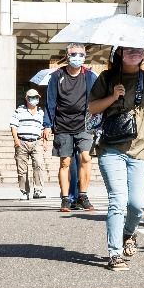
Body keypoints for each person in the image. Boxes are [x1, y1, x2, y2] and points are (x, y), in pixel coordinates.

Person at [89, 46, 144, 271]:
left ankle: (128, 232)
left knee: (136, 204)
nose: (134, 53)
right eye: (129, 49)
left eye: (139, 50)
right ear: (119, 53)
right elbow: (92, 107)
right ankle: (115, 253)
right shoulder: (107, 78)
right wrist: (113, 96)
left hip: (142, 149)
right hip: (111, 147)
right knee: (117, 199)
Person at [45, 42, 98, 212]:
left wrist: (97, 122)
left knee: (86, 157)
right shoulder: (57, 76)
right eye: (74, 54)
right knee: (65, 161)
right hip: (62, 124)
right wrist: (47, 125)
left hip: (84, 124)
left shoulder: (89, 76)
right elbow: (50, 102)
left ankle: (83, 195)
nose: (78, 57)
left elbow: (95, 100)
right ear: (67, 56)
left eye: (81, 54)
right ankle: (66, 198)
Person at [10, 87, 49, 200]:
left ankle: (38, 190)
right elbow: (13, 126)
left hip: (36, 141)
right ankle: (24, 191)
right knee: (22, 168)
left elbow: (45, 128)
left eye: (36, 97)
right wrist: (16, 140)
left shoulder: (41, 112)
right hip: (22, 141)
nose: (35, 99)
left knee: (39, 164)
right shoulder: (19, 110)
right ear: (27, 98)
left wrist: (45, 142)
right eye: (32, 97)